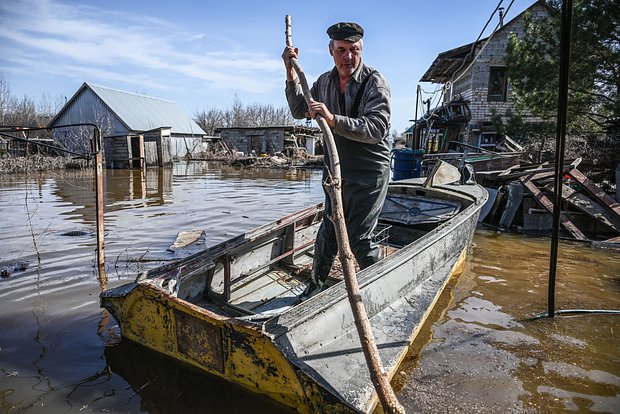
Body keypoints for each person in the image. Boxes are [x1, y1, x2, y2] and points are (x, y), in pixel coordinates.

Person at [282, 22, 392, 300]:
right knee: (328, 230)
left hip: (370, 169)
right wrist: (290, 71)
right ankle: (315, 287)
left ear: (361, 50)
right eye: (342, 50)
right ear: (331, 50)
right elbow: (298, 110)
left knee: (359, 238)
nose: (348, 57)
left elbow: (377, 128)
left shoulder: (374, 82)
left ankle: (382, 291)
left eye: (354, 50)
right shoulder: (324, 83)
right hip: (336, 167)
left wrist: (333, 119)